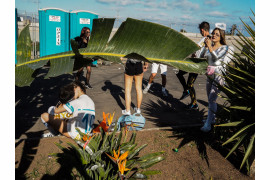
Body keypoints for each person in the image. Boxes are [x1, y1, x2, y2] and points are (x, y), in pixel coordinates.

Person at [200, 26, 230, 132]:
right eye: (213, 33)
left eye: (217, 34)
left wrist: (210, 48)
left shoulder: (224, 47)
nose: (214, 35)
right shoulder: (210, 46)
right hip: (210, 75)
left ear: (221, 37)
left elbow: (217, 61)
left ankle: (208, 124)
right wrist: (205, 47)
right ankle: (212, 119)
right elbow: (201, 56)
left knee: (212, 99)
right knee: (210, 99)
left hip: (219, 76)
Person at [176, 21, 210, 110]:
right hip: (194, 62)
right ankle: (186, 91)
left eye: (200, 31)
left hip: (197, 65)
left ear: (202, 30)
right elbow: (197, 48)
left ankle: (194, 103)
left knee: (190, 84)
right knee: (179, 74)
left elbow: (199, 48)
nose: (200, 33)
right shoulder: (204, 39)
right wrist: (194, 54)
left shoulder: (207, 39)